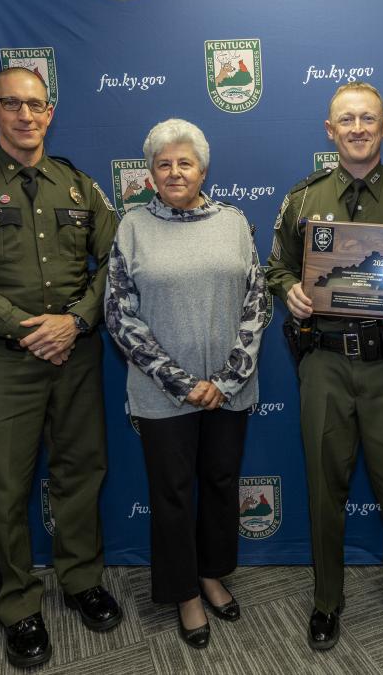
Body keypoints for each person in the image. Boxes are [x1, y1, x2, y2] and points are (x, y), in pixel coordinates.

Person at [0, 67, 121, 668]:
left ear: (50, 112)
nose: (25, 116)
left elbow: (119, 262)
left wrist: (77, 321)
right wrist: (28, 329)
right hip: (2, 361)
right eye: (12, 104)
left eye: (35, 105)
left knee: (80, 472)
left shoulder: (80, 187)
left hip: (77, 355)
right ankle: (17, 606)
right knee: (5, 488)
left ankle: (81, 579)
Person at [266, 82, 383, 651]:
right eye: (346, 120)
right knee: (324, 491)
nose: (357, 128)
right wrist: (291, 292)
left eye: (367, 119)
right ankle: (326, 600)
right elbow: (275, 266)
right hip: (323, 363)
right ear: (330, 130)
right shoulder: (303, 200)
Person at [105, 118, 267, 650]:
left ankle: (212, 573)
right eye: (163, 164)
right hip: (161, 395)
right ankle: (184, 593)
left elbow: (256, 303)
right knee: (172, 495)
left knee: (220, 484)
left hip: (229, 391)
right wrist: (180, 382)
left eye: (185, 162)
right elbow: (120, 315)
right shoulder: (130, 226)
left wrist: (224, 380)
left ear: (203, 168)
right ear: (150, 173)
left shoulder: (235, 222)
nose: (175, 172)